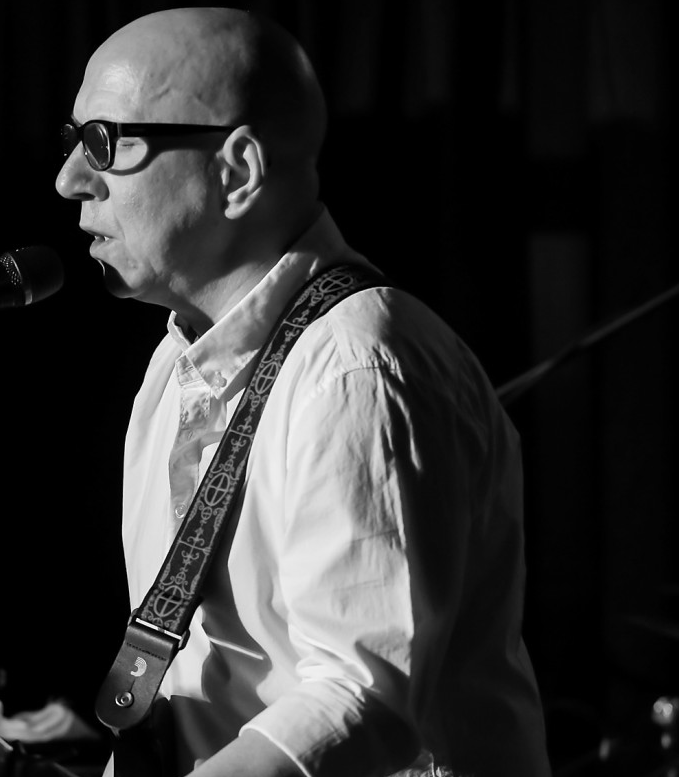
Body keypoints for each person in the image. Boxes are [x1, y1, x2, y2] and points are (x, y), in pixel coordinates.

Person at [53, 6, 551, 777]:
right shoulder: (173, 364)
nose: (69, 180)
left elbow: (359, 695)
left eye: (103, 143)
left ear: (236, 170)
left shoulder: (357, 366)